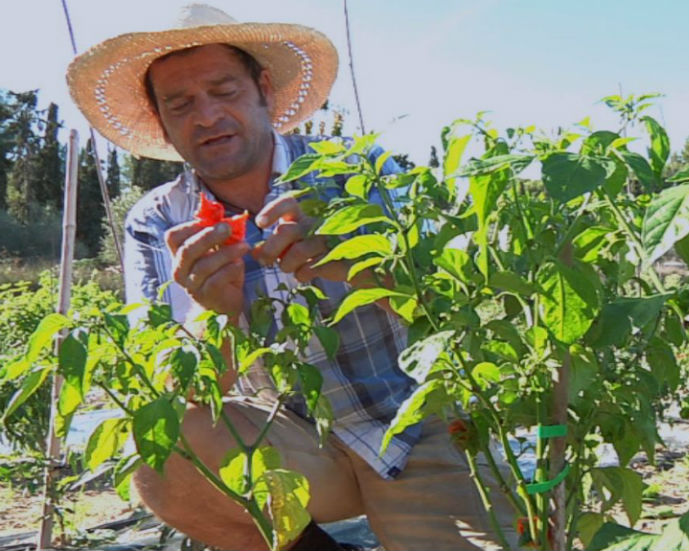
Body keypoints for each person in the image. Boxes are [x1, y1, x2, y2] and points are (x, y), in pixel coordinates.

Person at [67, 5, 513, 550]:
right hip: (290, 437)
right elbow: (176, 390)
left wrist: (354, 260)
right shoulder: (161, 220)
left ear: (263, 90)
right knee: (158, 445)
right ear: (161, 120)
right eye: (180, 104)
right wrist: (215, 314)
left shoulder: (355, 173)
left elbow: (456, 314)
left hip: (415, 424)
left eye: (224, 91)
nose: (206, 116)